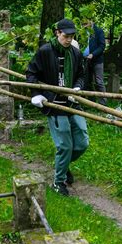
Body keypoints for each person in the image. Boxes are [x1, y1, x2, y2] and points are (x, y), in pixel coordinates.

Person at [26, 18, 89, 196]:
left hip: (72, 103)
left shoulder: (75, 53)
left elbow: (82, 75)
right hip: (54, 104)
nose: (69, 39)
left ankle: (63, 165)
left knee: (82, 143)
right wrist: (36, 94)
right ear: (57, 33)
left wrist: (77, 87)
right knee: (65, 146)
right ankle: (58, 181)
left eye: (72, 36)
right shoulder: (45, 51)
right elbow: (31, 73)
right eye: (66, 36)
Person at [82, 18, 107, 105]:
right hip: (85, 60)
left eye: (86, 22)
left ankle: (103, 103)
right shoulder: (82, 32)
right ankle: (90, 102)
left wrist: (93, 54)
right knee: (86, 81)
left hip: (97, 60)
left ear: (91, 21)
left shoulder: (98, 31)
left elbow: (102, 46)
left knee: (99, 81)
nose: (84, 24)